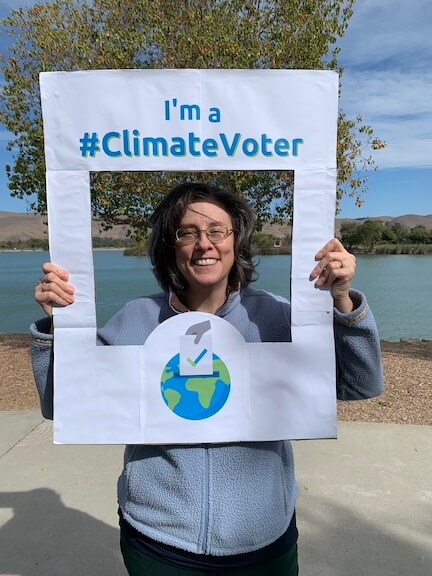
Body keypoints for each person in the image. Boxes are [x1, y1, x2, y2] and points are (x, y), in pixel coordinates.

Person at [31, 182, 384, 575]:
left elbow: (361, 384)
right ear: (171, 246)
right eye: (187, 233)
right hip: (158, 540)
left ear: (237, 241)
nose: (205, 244)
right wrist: (55, 325)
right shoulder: (135, 319)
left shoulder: (278, 316)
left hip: (264, 540)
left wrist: (344, 304)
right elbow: (61, 405)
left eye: (218, 231)